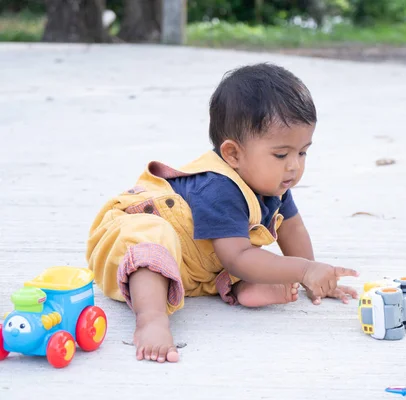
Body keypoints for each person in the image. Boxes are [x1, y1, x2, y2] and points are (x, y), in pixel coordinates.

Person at [86, 63, 359, 364]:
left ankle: (243, 288)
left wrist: (314, 274)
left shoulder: (273, 183)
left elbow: (292, 228)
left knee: (248, 260)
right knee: (160, 239)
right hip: (131, 250)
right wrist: (303, 270)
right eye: (281, 154)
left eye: (302, 152)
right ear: (232, 154)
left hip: (195, 268)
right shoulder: (218, 186)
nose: (294, 165)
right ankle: (151, 320)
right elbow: (237, 256)